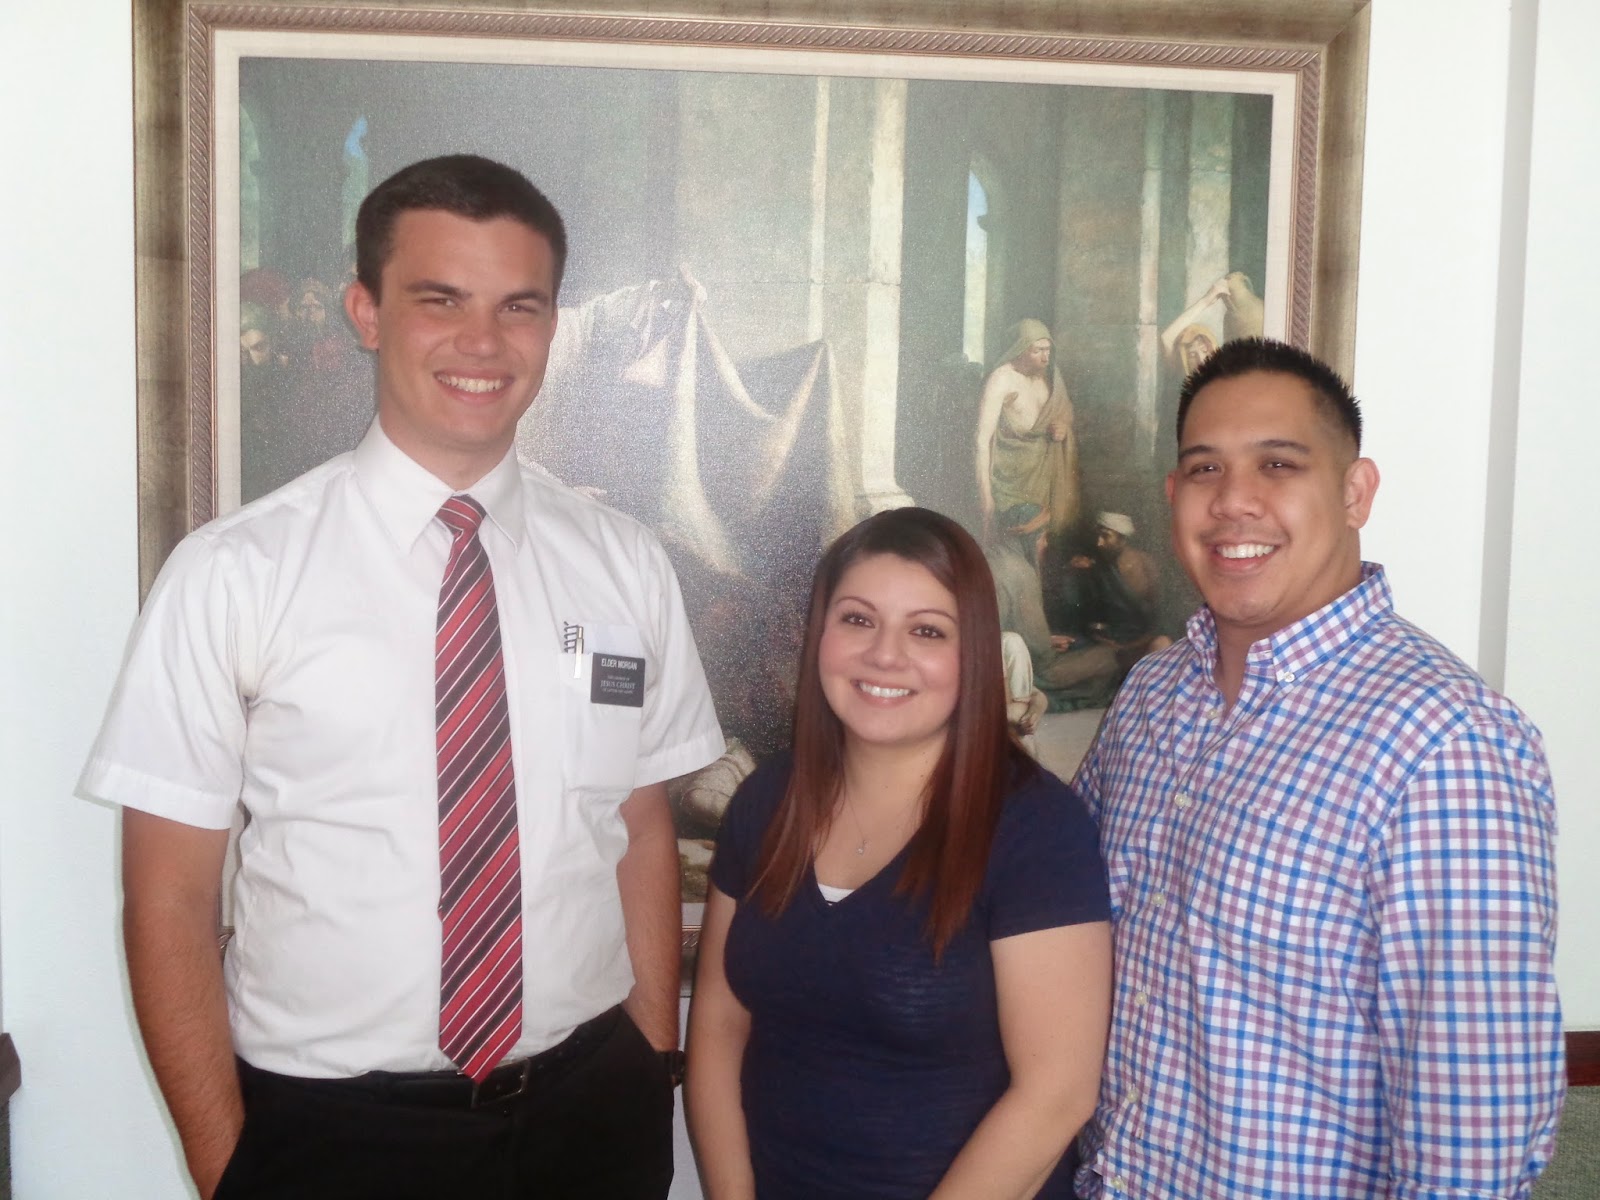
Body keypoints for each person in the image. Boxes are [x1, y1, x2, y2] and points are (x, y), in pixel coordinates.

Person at [79, 154, 724, 1199]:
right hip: (334, 1136)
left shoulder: (624, 564)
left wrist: (650, 1065)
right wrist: (227, 1170)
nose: (483, 342)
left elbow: (641, 827)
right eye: (441, 300)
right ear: (366, 313)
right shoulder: (235, 574)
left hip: (589, 1116)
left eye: (519, 306)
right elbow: (169, 896)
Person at [1073, 338, 1564, 1198]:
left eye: (1278, 464)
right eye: (1205, 469)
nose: (1234, 501)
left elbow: (1472, 1139)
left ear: (1354, 492)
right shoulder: (1152, 695)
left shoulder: (1446, 743)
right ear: (1174, 496)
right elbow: (1060, 911)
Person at [686, 506, 1112, 1200]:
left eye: (927, 630)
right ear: (819, 635)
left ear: (973, 652)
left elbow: (1056, 1094)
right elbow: (718, 1027)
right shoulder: (766, 802)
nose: (885, 655)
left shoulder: (1035, 829)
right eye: (858, 619)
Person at [985, 504, 1120, 712]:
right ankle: (1053, 701)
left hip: (994, 657)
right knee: (1108, 658)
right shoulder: (1020, 572)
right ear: (1029, 538)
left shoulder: (991, 558)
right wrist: (1045, 644)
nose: (1045, 544)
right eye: (1042, 537)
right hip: (1021, 669)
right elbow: (1041, 655)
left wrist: (1046, 639)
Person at [976, 319, 1080, 540]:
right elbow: (981, 441)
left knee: (1044, 544)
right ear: (1020, 349)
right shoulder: (1002, 379)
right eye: (1037, 351)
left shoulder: (1050, 378)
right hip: (1010, 484)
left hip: (1045, 479)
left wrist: (1063, 428)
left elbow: (1065, 414)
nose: (1045, 357)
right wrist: (985, 495)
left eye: (1048, 350)